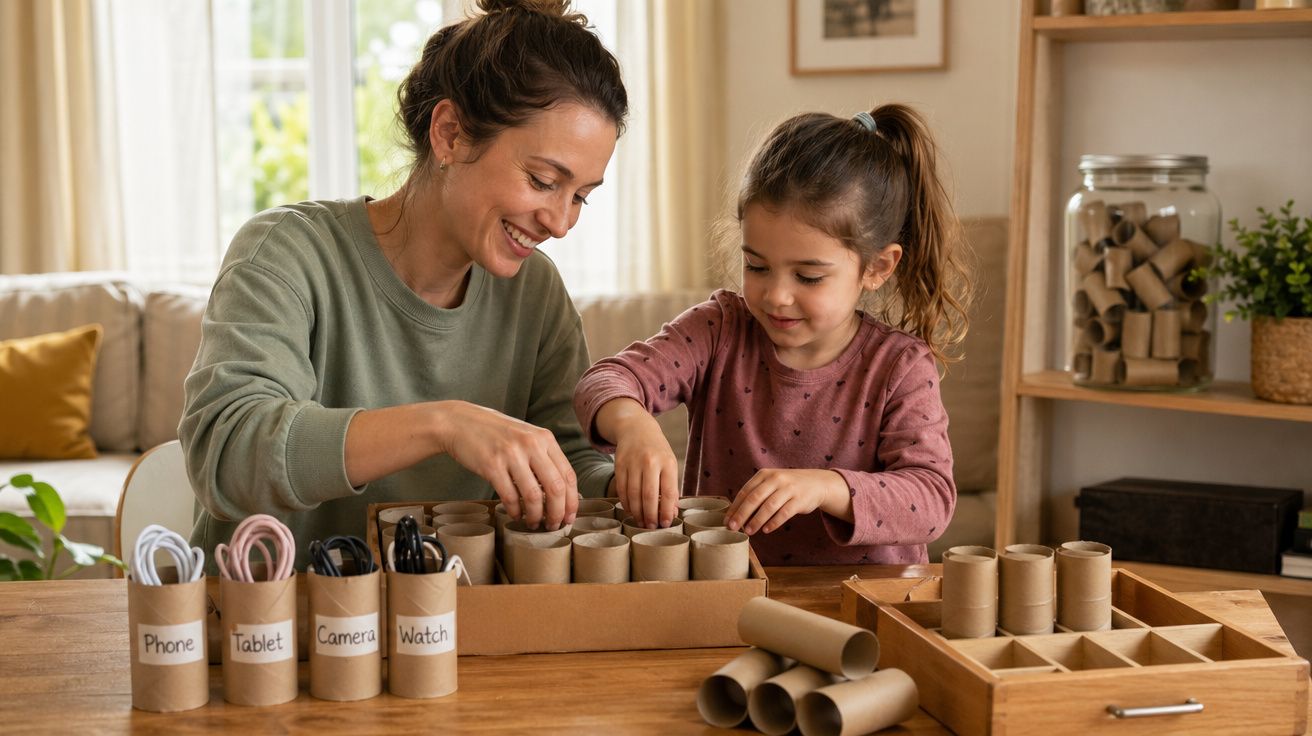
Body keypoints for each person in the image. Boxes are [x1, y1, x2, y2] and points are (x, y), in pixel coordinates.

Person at [180, 0, 627, 569]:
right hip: (267, 611)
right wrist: (445, 424)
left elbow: (566, 462)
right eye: (542, 180)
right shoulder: (286, 252)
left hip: (440, 613)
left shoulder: (535, 292)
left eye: (581, 196)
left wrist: (621, 483)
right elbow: (227, 454)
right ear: (450, 134)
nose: (561, 223)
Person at [573, 105, 971, 565]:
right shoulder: (719, 329)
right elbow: (603, 381)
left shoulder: (900, 366)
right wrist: (633, 425)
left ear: (877, 268)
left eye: (808, 276)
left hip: (863, 600)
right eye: (757, 267)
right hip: (733, 595)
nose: (777, 296)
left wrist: (825, 487)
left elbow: (931, 499)